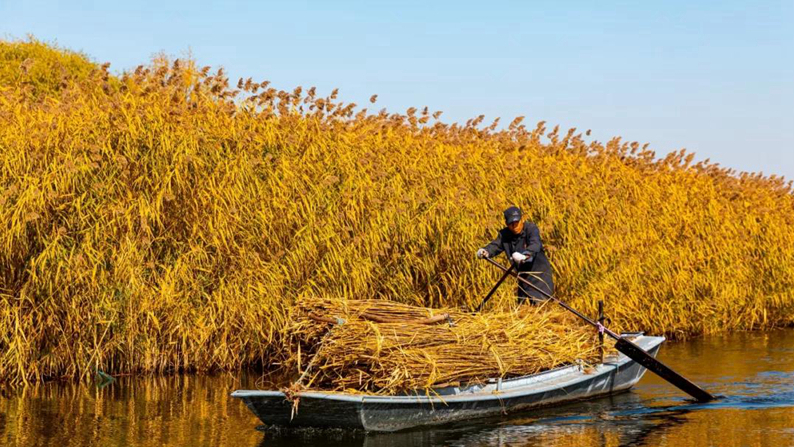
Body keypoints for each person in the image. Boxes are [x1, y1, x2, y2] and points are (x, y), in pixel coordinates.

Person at [476, 206, 554, 304]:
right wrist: (485, 251)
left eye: (517, 222)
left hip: (539, 278)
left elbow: (535, 244)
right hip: (522, 279)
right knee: (522, 310)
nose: (514, 226)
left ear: (522, 219)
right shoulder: (505, 234)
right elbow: (496, 245)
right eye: (511, 224)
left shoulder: (531, 229)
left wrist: (525, 255)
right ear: (506, 224)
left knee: (541, 308)